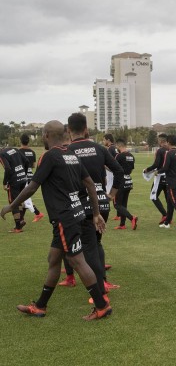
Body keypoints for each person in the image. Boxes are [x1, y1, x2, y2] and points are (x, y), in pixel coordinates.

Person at [0, 120, 111, 320]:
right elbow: (90, 185)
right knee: (54, 260)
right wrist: (95, 214)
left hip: (64, 218)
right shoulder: (71, 155)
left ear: (46, 135)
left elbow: (32, 187)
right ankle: (40, 306)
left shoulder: (49, 156)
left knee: (77, 261)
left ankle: (101, 305)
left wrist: (11, 205)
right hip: (75, 214)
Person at [60, 112, 124, 292]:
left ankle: (97, 287)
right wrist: (111, 194)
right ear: (86, 129)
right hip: (101, 202)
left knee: (81, 245)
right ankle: (102, 280)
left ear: (69, 130)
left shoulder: (68, 151)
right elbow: (119, 172)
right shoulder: (100, 148)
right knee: (96, 243)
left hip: (79, 204)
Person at [0, 144, 30, 232]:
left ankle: (18, 227)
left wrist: (5, 183)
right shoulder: (14, 149)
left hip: (14, 181)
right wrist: (24, 173)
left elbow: (8, 168)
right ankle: (21, 220)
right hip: (23, 178)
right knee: (20, 200)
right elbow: (27, 161)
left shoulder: (2, 154)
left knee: (14, 202)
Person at [143, 133, 170, 224]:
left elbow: (156, 164)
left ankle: (165, 215)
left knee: (153, 196)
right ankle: (169, 217)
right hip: (169, 177)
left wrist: (148, 169)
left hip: (160, 177)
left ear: (161, 141)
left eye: (158, 140)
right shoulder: (170, 149)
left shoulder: (160, 150)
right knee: (168, 198)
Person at [18, 134, 45, 222]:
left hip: (22, 177)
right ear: (28, 141)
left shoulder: (18, 152)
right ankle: (21, 219)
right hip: (30, 176)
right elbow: (33, 165)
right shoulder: (32, 152)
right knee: (23, 197)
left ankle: (37, 213)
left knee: (23, 197)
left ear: (20, 141)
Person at [113, 138, 137, 230]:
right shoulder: (131, 156)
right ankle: (122, 224)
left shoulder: (119, 156)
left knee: (117, 205)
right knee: (123, 205)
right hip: (128, 181)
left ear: (119, 146)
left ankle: (132, 218)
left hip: (121, 182)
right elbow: (131, 169)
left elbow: (114, 168)